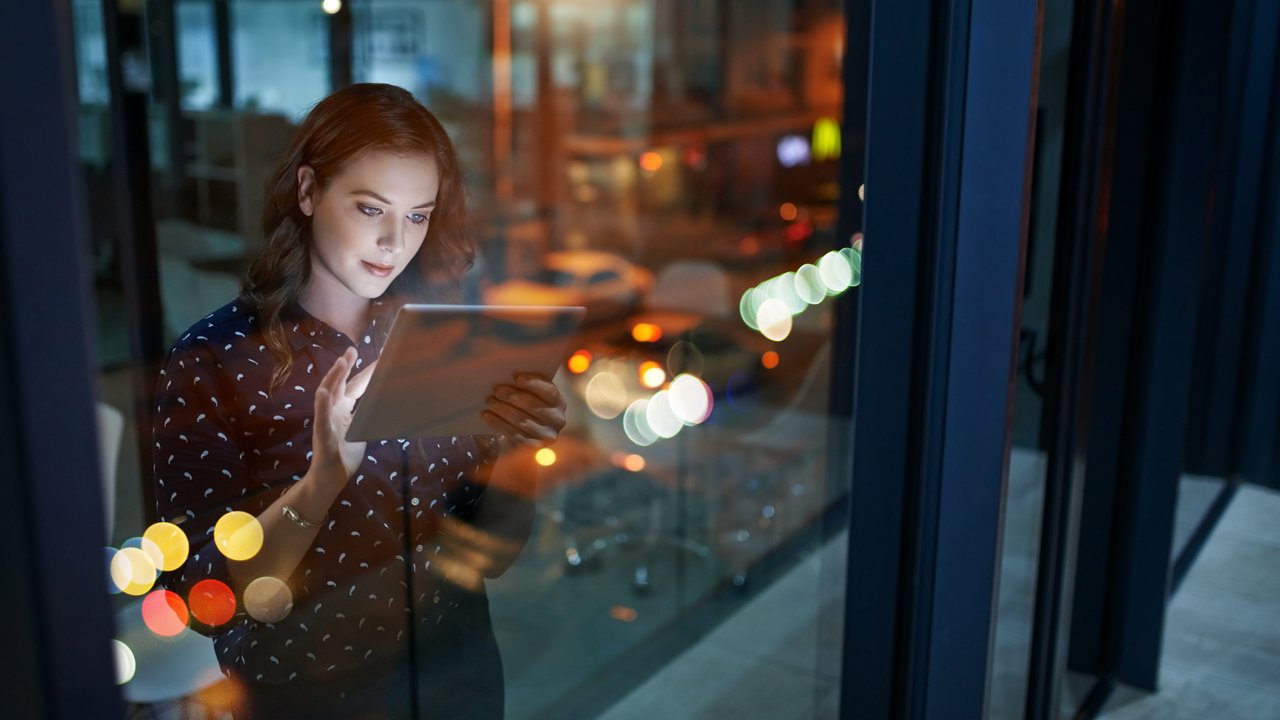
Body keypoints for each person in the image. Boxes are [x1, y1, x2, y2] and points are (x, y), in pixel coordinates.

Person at [152, 83, 565, 719]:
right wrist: (322, 483)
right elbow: (198, 597)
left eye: (418, 215)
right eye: (371, 209)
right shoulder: (216, 359)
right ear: (310, 190)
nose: (396, 243)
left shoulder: (437, 338)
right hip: (310, 699)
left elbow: (494, 554)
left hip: (459, 676)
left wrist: (518, 449)